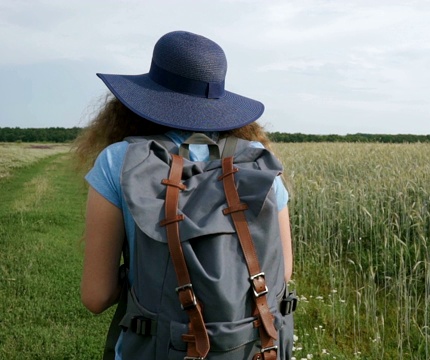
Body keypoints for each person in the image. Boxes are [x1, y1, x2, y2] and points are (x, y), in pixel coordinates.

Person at [75, 30, 294, 359]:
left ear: (149, 93)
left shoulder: (118, 161)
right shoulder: (259, 163)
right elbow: (282, 271)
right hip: (254, 349)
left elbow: (96, 296)